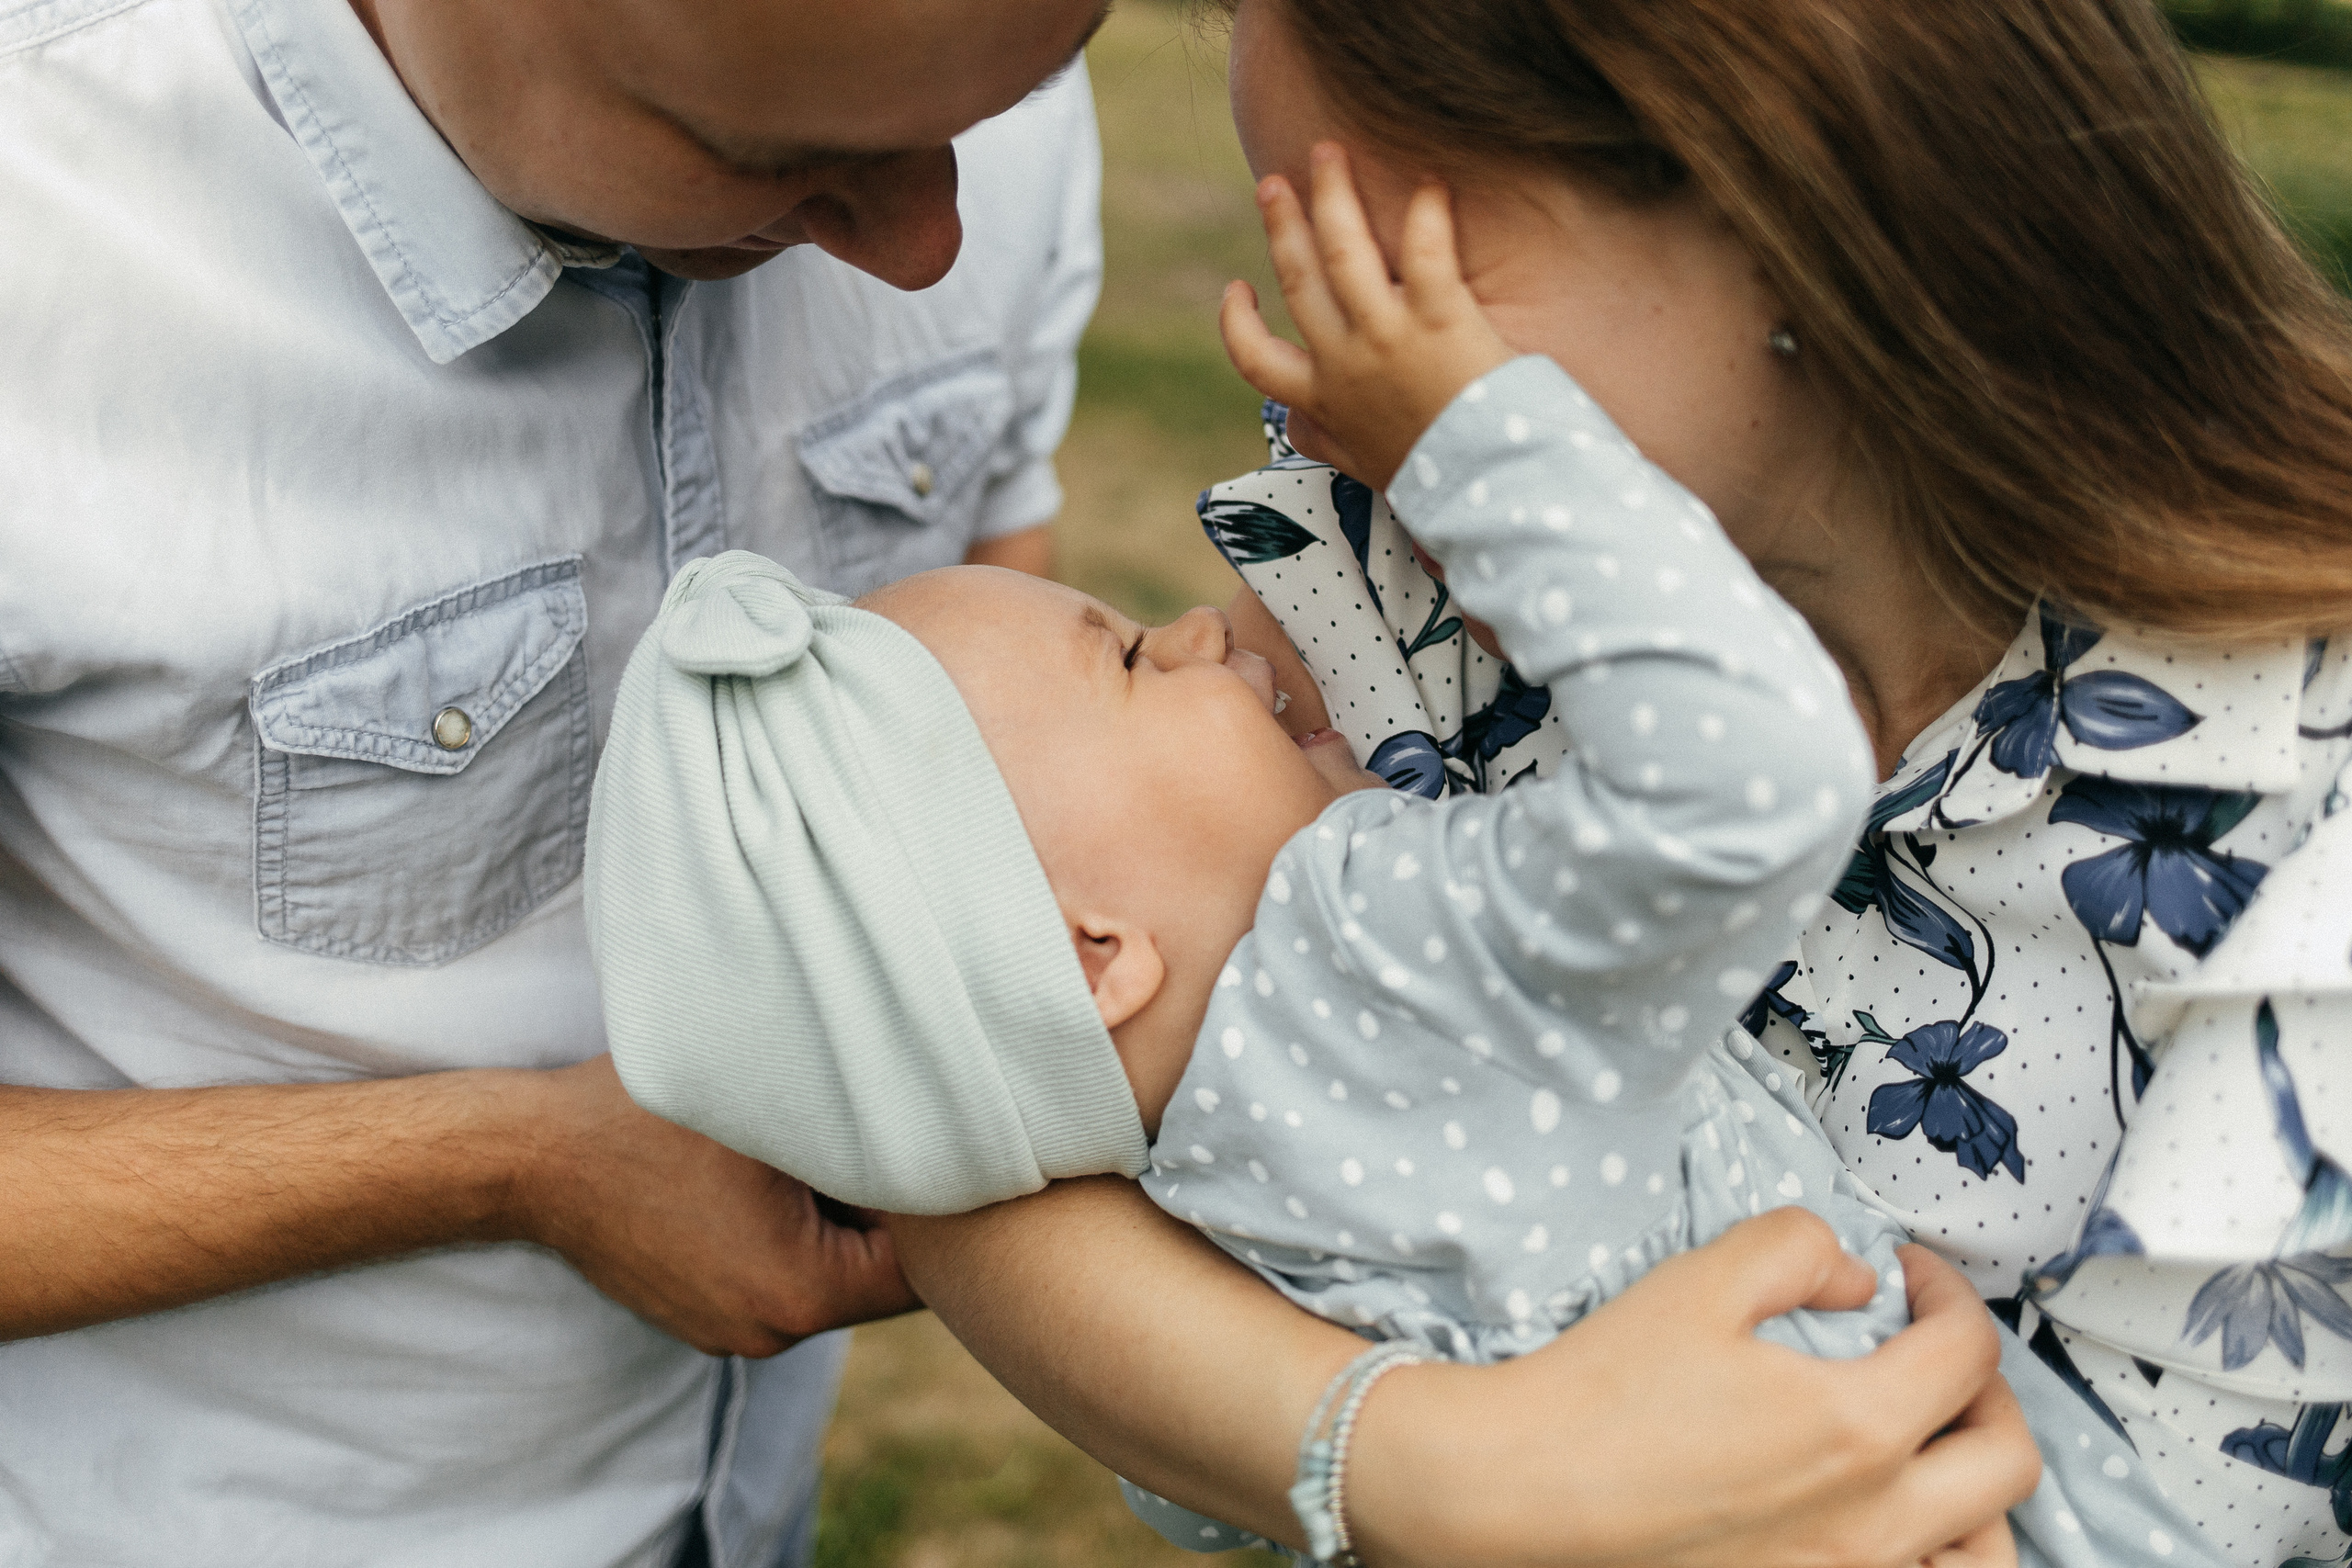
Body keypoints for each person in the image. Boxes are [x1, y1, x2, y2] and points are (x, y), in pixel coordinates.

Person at [577, 147, 2224, 1566]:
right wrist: (1483, 448)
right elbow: (1753, 777)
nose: (1211, 642)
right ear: (1092, 957)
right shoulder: (1363, 940)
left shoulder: (1178, 1225)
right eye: (1137, 660)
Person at [0, 0, 1106, 1561]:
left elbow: (998, 636)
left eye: (1019, 92)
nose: (930, 239)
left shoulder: (952, 71)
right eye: (768, 153)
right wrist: (523, 1166)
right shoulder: (35, 221)